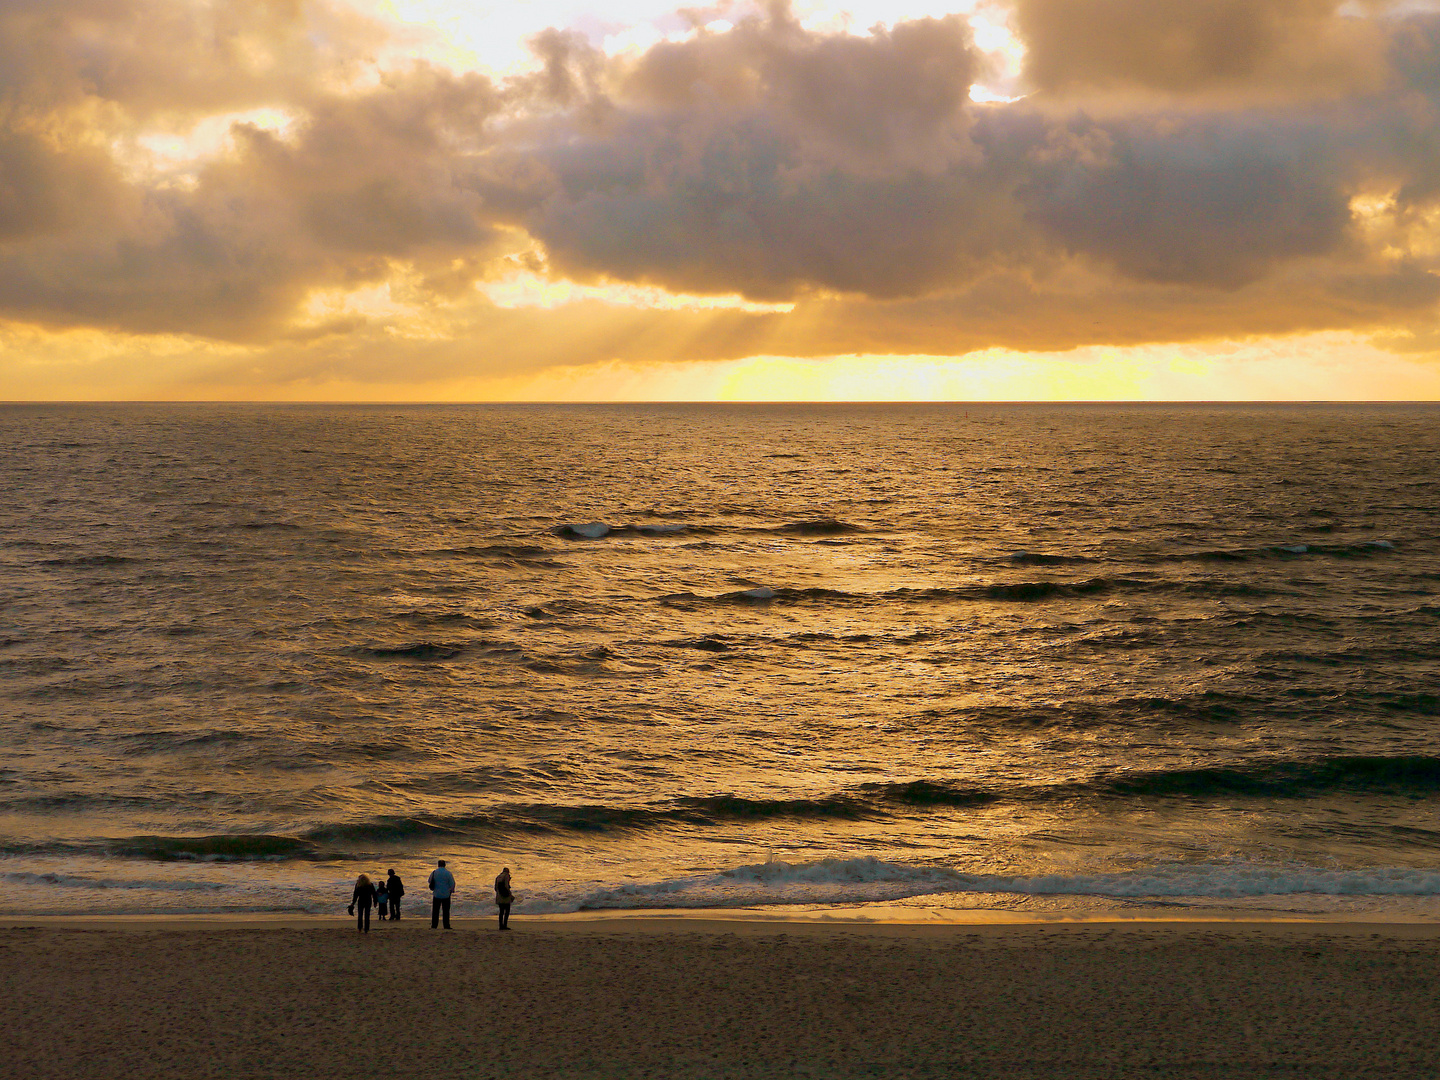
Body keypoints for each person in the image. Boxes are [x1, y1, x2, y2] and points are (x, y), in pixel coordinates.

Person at [428, 859, 455, 929]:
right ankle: (446, 926)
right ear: (445, 865)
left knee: (435, 911)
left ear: (438, 865)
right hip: (446, 894)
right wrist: (451, 891)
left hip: (436, 894)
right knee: (446, 911)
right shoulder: (448, 873)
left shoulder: (434, 872)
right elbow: (452, 884)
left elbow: (429, 881)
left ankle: (434, 925)